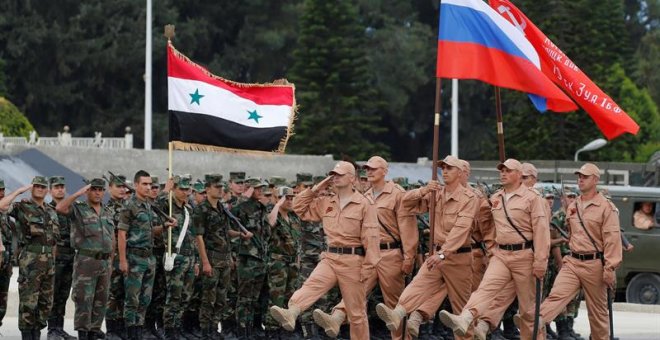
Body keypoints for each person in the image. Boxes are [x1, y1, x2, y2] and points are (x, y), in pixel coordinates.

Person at [438, 159, 549, 340]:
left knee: (528, 311)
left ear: (519, 175)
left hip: (525, 255)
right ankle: (466, 317)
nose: (503, 174)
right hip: (501, 254)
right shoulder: (496, 198)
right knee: (485, 289)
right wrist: (491, 249)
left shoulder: (533, 198)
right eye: (501, 170)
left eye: (508, 171)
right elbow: (487, 226)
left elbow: (541, 231)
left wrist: (540, 260)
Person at [270, 161, 380, 339]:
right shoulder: (326, 201)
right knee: (311, 285)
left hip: (353, 261)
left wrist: (369, 266)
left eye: (340, 174)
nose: (335, 177)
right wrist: (315, 189)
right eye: (333, 174)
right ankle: (292, 312)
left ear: (352, 178)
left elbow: (372, 237)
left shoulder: (364, 204)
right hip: (330, 257)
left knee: (357, 314)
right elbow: (299, 207)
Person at [375, 155, 478, 340]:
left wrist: (442, 254)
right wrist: (423, 190)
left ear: (461, 173)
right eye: (443, 168)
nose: (444, 171)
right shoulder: (435, 193)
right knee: (417, 285)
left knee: (461, 312)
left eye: (449, 168)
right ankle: (398, 313)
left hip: (457, 258)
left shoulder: (469, 198)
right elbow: (404, 203)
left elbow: (460, 230)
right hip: (436, 255)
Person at [529, 163, 623, 340]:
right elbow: (572, 234)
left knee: (598, 314)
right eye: (579, 176)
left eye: (585, 176)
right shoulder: (573, 205)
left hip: (595, 264)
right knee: (556, 295)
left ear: (595, 179)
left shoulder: (606, 207)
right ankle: (536, 321)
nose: (580, 179)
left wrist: (610, 268)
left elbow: (612, 240)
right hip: (572, 261)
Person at [0, 176, 60, 340]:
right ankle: (28, 336)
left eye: (43, 186)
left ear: (47, 190)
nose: (40, 189)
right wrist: (19, 191)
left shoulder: (50, 211)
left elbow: (54, 240)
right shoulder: (22, 207)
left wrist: (52, 260)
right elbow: (1, 205)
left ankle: (36, 334)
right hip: (30, 261)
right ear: (32, 188)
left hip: (48, 262)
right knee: (28, 303)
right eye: (37, 186)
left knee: (45, 304)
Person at [117, 171, 174, 339]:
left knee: (145, 300)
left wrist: (165, 226)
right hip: (134, 258)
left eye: (150, 184)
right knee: (132, 300)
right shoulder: (129, 205)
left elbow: (151, 231)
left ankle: (139, 331)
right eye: (145, 184)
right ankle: (131, 334)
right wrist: (122, 260)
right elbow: (121, 233)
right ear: (136, 185)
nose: (149, 187)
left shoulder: (149, 205)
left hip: (149, 258)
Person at [56, 178, 115, 340]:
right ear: (88, 191)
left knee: (101, 301)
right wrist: (78, 193)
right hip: (85, 261)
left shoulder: (107, 211)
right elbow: (60, 207)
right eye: (94, 189)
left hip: (104, 262)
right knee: (84, 300)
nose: (97, 192)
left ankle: (94, 333)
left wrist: (111, 261)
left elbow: (112, 237)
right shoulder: (79, 209)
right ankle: (83, 334)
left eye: (100, 190)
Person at [194, 174, 247, 338]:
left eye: (221, 187)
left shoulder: (222, 208)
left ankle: (214, 329)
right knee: (208, 297)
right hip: (211, 258)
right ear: (208, 189)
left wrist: (240, 234)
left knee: (221, 298)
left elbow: (225, 233)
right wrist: (205, 262)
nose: (220, 190)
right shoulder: (201, 209)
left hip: (224, 258)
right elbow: (199, 237)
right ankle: (205, 331)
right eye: (217, 187)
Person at [232, 177, 270, 337]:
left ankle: (250, 329)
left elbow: (265, 233)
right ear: (250, 189)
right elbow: (230, 221)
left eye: (262, 188)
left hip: (260, 258)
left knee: (254, 298)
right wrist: (243, 197)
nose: (261, 190)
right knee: (244, 298)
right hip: (246, 259)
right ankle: (241, 331)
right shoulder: (240, 207)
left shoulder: (261, 207)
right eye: (257, 188)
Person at [264, 187, 302, 338]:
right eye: (286, 198)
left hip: (292, 263)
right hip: (277, 263)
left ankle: (286, 329)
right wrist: (277, 205)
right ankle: (272, 330)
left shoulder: (294, 217)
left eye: (292, 198)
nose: (290, 200)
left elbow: (298, 240)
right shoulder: (274, 214)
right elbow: (270, 223)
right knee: (276, 297)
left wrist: (298, 259)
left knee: (290, 297)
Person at [47, 176, 77, 340]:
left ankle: (59, 328)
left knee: (63, 295)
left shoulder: (69, 209)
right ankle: (52, 329)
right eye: (56, 187)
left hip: (70, 256)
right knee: (53, 293)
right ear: (51, 190)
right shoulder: (47, 208)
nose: (60, 189)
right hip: (56, 256)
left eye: (62, 187)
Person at [104, 173, 129, 340]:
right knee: (112, 293)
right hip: (113, 256)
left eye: (123, 187)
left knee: (124, 293)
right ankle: (112, 329)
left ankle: (121, 328)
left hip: (127, 256)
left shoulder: (128, 208)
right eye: (118, 186)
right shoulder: (106, 209)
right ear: (110, 188)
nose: (122, 189)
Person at [0, 179, 12, 331]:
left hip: (6, 262)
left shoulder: (5, 213)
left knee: (3, 298)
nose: (1, 193)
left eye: (3, 190)